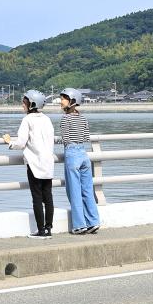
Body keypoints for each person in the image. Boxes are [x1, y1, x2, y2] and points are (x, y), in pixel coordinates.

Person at [3, 90, 55, 238]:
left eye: (24, 101)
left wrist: (9, 142)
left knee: (37, 198)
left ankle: (41, 230)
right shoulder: (47, 119)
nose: (22, 104)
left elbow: (20, 143)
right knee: (48, 197)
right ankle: (49, 228)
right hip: (48, 163)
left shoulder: (27, 120)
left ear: (31, 103)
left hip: (34, 163)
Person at [57, 87, 100, 234]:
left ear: (72, 101)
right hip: (83, 153)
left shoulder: (65, 118)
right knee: (87, 190)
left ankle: (79, 225)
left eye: (63, 99)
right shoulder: (83, 118)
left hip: (72, 154)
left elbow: (65, 139)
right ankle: (93, 221)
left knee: (74, 191)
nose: (60, 101)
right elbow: (86, 137)